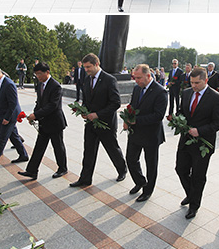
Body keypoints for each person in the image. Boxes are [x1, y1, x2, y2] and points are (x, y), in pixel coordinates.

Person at [176, 66, 219, 219]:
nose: (193, 86)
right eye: (191, 82)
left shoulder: (216, 98)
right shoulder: (186, 93)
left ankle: (194, 205)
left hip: (203, 143)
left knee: (198, 175)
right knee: (180, 169)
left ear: (206, 80)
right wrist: (178, 120)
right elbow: (181, 111)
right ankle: (191, 195)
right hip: (185, 140)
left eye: (197, 83)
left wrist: (200, 130)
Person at [70, 52, 126, 188]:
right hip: (90, 124)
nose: (86, 70)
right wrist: (83, 110)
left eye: (89, 67)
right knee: (88, 151)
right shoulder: (87, 79)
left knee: (112, 149)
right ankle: (85, 179)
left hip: (105, 123)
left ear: (97, 64)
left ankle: (122, 169)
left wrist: (98, 115)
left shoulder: (109, 79)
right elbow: (87, 100)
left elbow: (115, 103)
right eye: (85, 67)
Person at [124, 63, 168, 201]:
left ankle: (148, 190)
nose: (136, 81)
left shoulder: (160, 91)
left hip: (151, 135)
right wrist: (127, 118)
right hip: (135, 133)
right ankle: (140, 182)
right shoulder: (137, 89)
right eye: (134, 78)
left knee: (151, 164)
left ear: (148, 76)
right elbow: (132, 106)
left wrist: (136, 120)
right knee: (131, 159)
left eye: (138, 78)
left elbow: (158, 115)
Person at [0, 59, 29, 171]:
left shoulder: (9, 84)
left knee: (2, 139)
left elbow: (13, 104)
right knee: (14, 136)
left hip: (10, 115)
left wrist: (7, 118)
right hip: (3, 113)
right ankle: (23, 155)